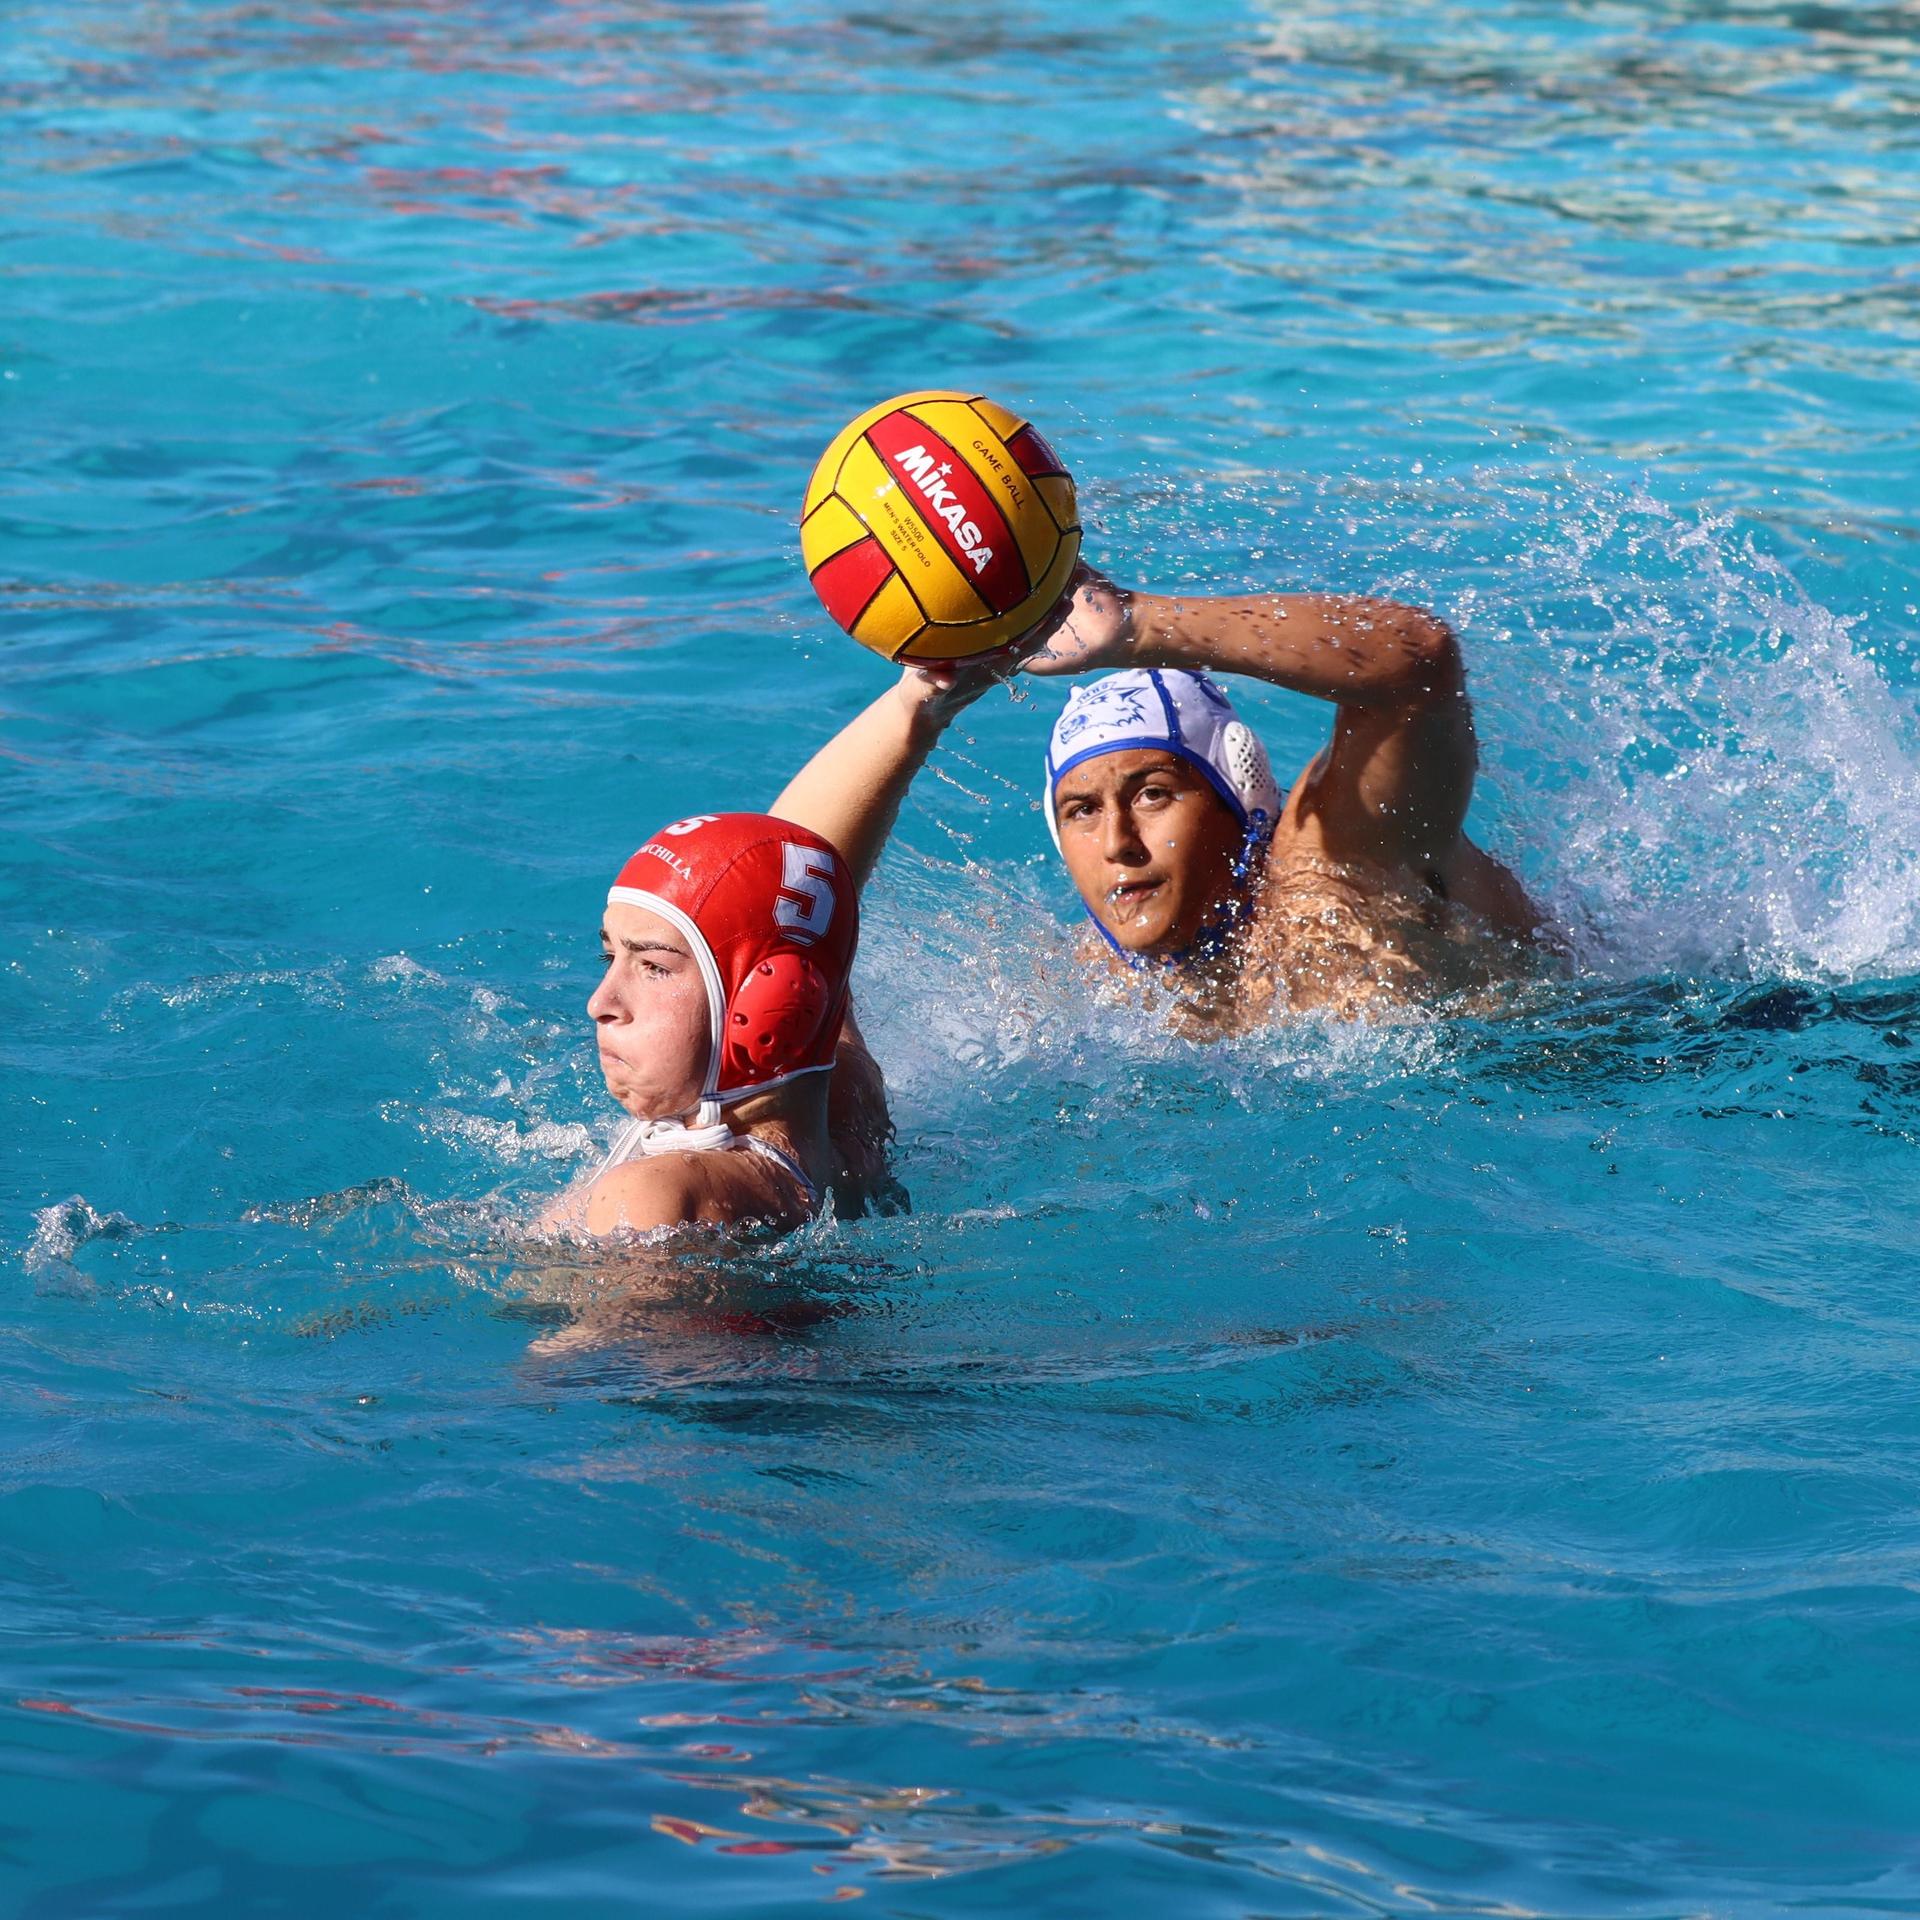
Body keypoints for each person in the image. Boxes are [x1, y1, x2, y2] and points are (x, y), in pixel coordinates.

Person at [773, 567, 1546, 1022]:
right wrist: (920, 704)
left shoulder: (1336, 866)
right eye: (1081, 810)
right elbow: (758, 918)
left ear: (1238, 796)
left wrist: (1138, 625)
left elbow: (1419, 662)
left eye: (1151, 795)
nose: (1117, 843)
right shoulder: (1073, 992)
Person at [541, 811, 882, 1239]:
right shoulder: (850, 1095)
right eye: (609, 958)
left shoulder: (658, 1198)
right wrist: (908, 740)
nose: (600, 1004)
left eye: (653, 966)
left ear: (768, 1007)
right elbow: (805, 896)